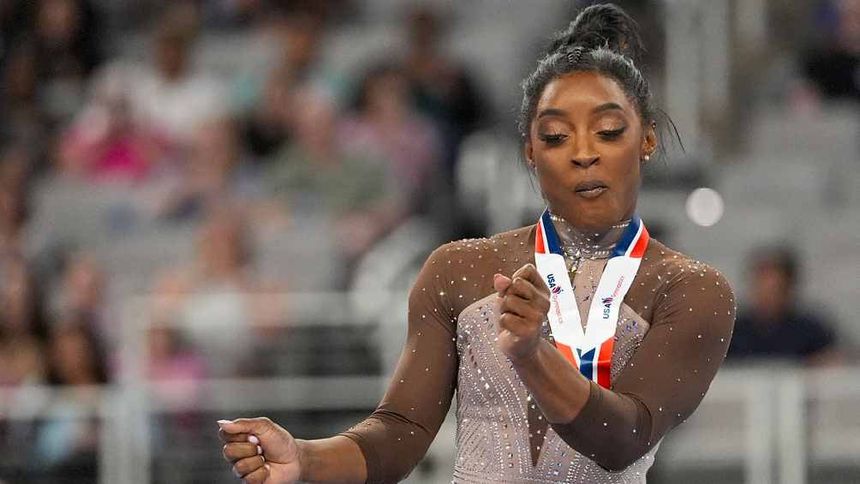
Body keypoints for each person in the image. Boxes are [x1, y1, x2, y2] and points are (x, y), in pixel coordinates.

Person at [218, 5, 736, 483]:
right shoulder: (459, 268)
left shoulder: (689, 290)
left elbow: (623, 438)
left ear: (647, 139)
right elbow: (401, 431)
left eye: (608, 131)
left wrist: (533, 355)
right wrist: (305, 458)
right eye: (556, 137)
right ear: (529, 151)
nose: (583, 154)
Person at [727, 245, 839, 365]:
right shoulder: (733, 330)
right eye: (761, 287)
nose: (767, 296)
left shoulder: (812, 331)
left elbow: (834, 359)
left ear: (789, 288)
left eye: (774, 289)